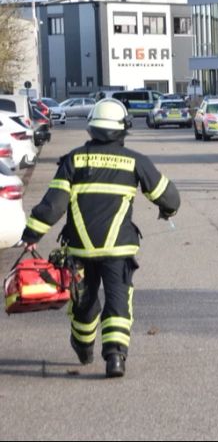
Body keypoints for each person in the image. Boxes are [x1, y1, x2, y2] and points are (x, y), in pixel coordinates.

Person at [19, 98, 180, 378]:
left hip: (80, 249)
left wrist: (32, 233)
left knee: (83, 301)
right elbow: (169, 197)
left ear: (92, 127)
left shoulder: (74, 160)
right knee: (118, 301)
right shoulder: (134, 161)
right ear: (123, 128)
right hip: (118, 249)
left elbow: (53, 205)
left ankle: (83, 347)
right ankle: (116, 357)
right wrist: (167, 211)